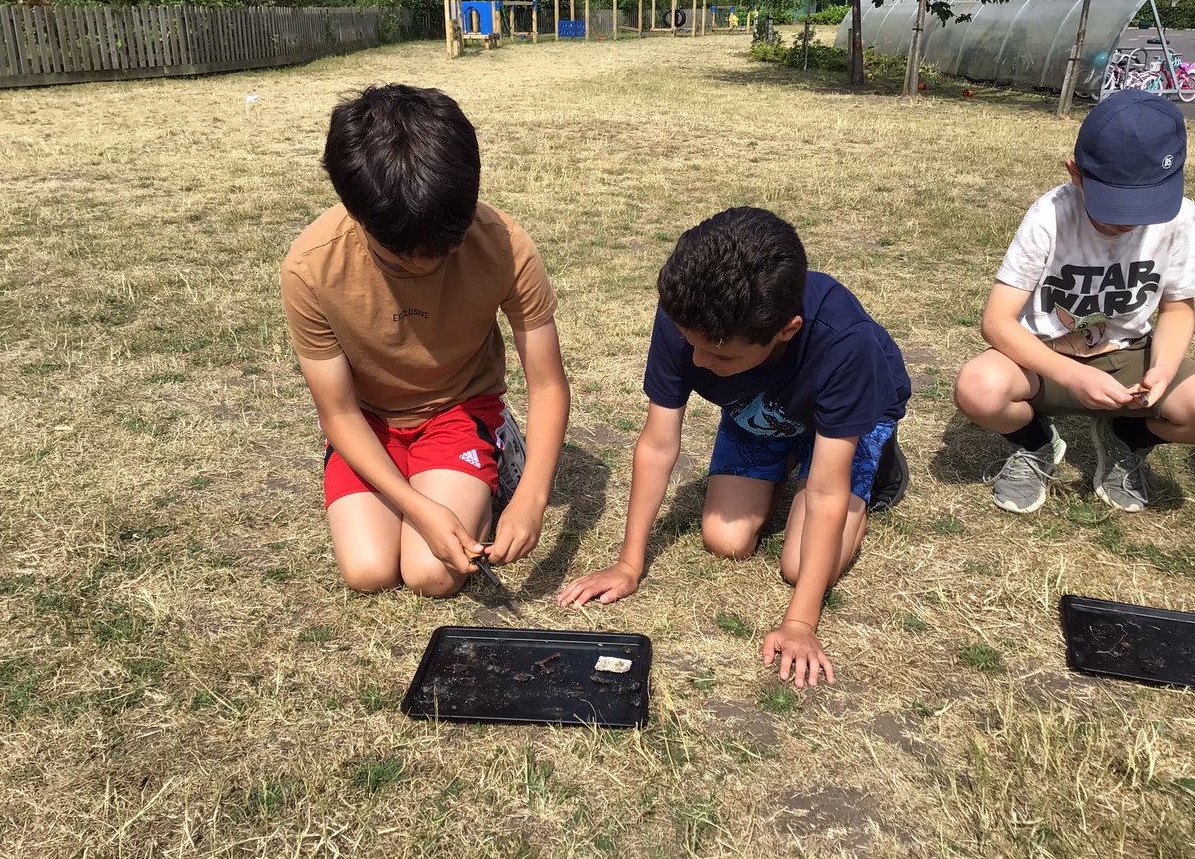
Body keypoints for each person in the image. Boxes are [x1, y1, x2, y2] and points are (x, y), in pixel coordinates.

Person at [557, 207, 911, 689]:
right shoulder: (688, 312)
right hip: (761, 407)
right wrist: (628, 563)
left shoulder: (845, 342)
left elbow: (827, 492)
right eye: (692, 344)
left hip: (847, 415)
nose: (699, 360)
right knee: (726, 541)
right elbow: (658, 445)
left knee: (801, 567)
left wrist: (800, 623)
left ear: (787, 329)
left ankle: (875, 460)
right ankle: (788, 453)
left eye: (721, 355)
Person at [281, 84, 570, 595]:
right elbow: (339, 411)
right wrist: (418, 506)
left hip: (459, 407)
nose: (426, 267)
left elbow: (547, 383)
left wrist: (532, 497)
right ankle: (432, 481)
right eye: (400, 257)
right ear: (354, 211)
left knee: (431, 574)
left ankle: (497, 444)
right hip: (367, 422)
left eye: (446, 248)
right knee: (369, 571)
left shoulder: (504, 244)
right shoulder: (311, 267)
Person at [955, 89, 1195, 514]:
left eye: (1145, 207)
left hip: (1130, 354)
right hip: (1043, 358)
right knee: (979, 389)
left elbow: (1177, 307)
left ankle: (1128, 439)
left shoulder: (1181, 218)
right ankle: (1037, 443)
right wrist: (1073, 375)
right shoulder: (1050, 215)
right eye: (1114, 206)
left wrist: (1162, 368)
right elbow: (997, 321)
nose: (1129, 221)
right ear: (1075, 174)